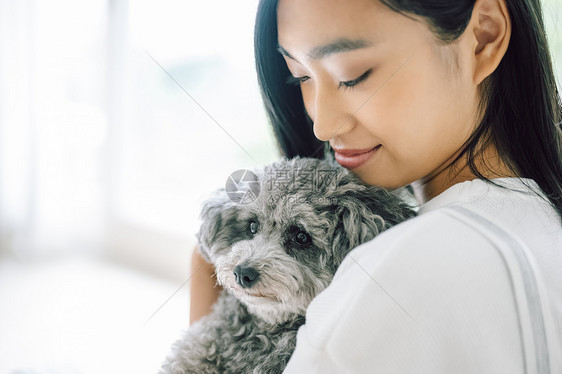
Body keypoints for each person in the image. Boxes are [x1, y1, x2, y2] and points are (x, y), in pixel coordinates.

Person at [190, 0, 562, 372]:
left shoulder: (390, 272)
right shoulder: (541, 228)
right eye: (300, 77)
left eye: (352, 75)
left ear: (483, 36)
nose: (323, 126)